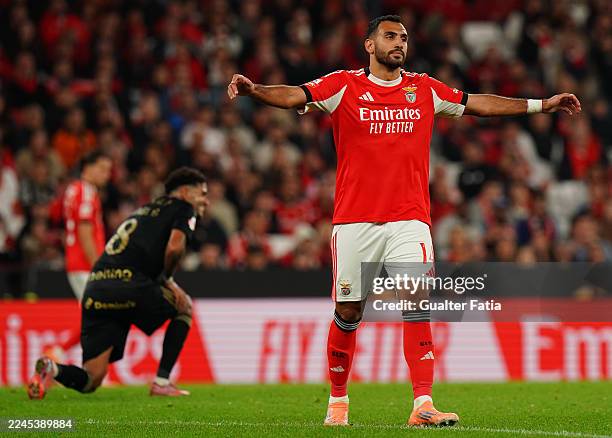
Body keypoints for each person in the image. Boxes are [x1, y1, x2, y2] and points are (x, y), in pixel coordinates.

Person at [227, 15, 581, 427]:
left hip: (409, 219)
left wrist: (543, 104)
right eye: (390, 36)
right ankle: (337, 404)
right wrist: (255, 90)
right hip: (354, 220)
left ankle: (423, 404)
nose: (399, 43)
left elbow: (478, 103)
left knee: (416, 302)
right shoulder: (343, 85)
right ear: (369, 45)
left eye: (404, 38)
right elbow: (293, 95)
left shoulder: (425, 88)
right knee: (349, 311)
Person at [28, 167, 209, 398]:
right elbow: (174, 248)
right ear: (184, 192)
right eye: (202, 193)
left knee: (92, 379)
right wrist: (168, 280)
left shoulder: (143, 210)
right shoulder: (184, 208)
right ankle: (162, 382)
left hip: (96, 287)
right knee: (184, 308)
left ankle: (51, 368)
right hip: (129, 285)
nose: (206, 200)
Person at [44, 151, 112, 362]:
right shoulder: (87, 192)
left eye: (108, 170)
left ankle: (58, 353)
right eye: (102, 169)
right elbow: (84, 230)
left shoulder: (72, 189)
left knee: (97, 316)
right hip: (84, 264)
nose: (106, 174)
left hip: (75, 261)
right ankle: (60, 354)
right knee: (100, 317)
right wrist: (97, 265)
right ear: (87, 168)